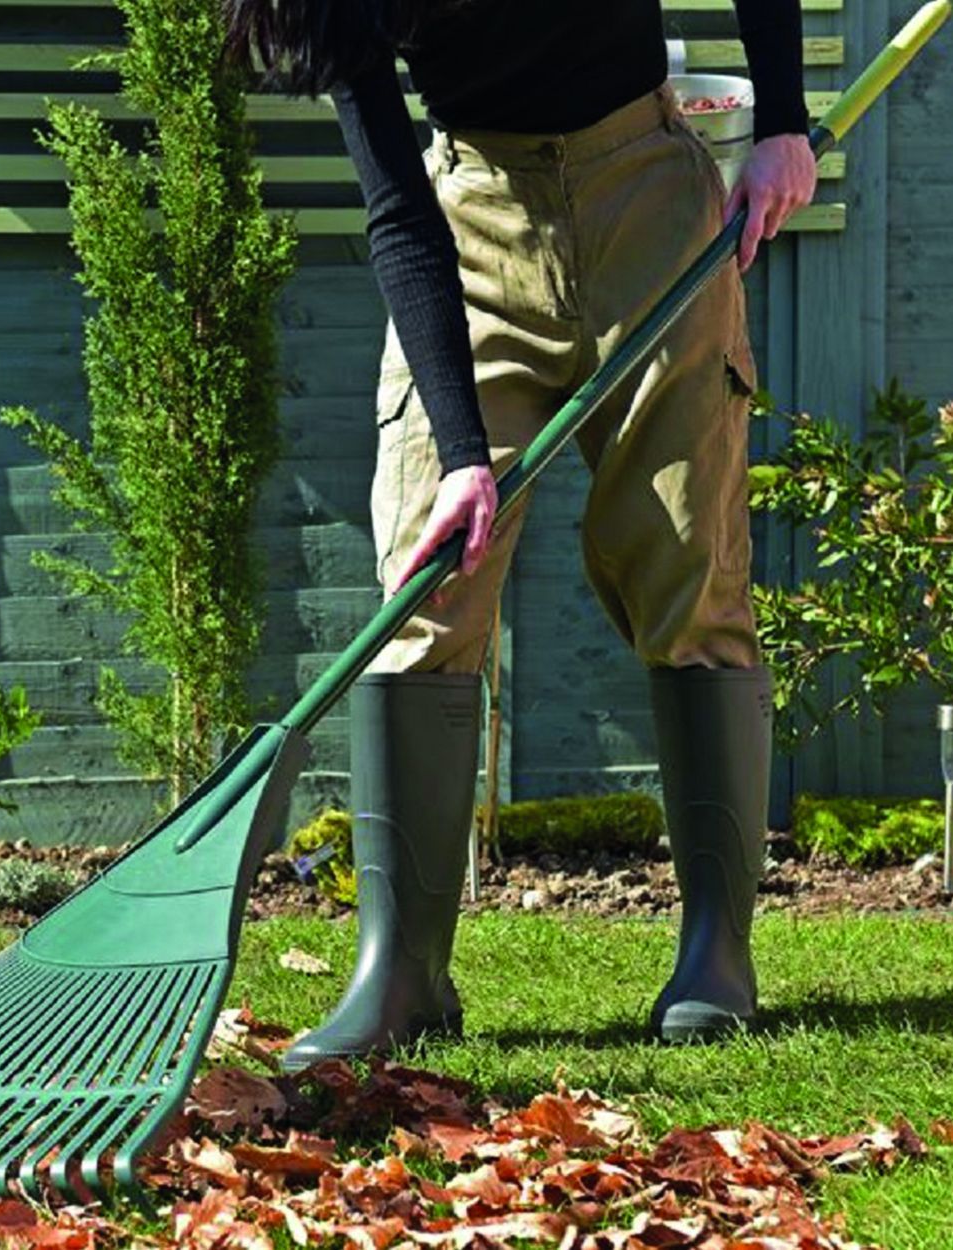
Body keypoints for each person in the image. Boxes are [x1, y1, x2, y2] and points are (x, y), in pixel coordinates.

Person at [222, 0, 819, 1059]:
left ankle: (715, 953)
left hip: (647, 197)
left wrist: (782, 122)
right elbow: (397, 211)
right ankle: (402, 972)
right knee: (423, 592)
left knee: (687, 564)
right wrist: (461, 453)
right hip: (470, 226)